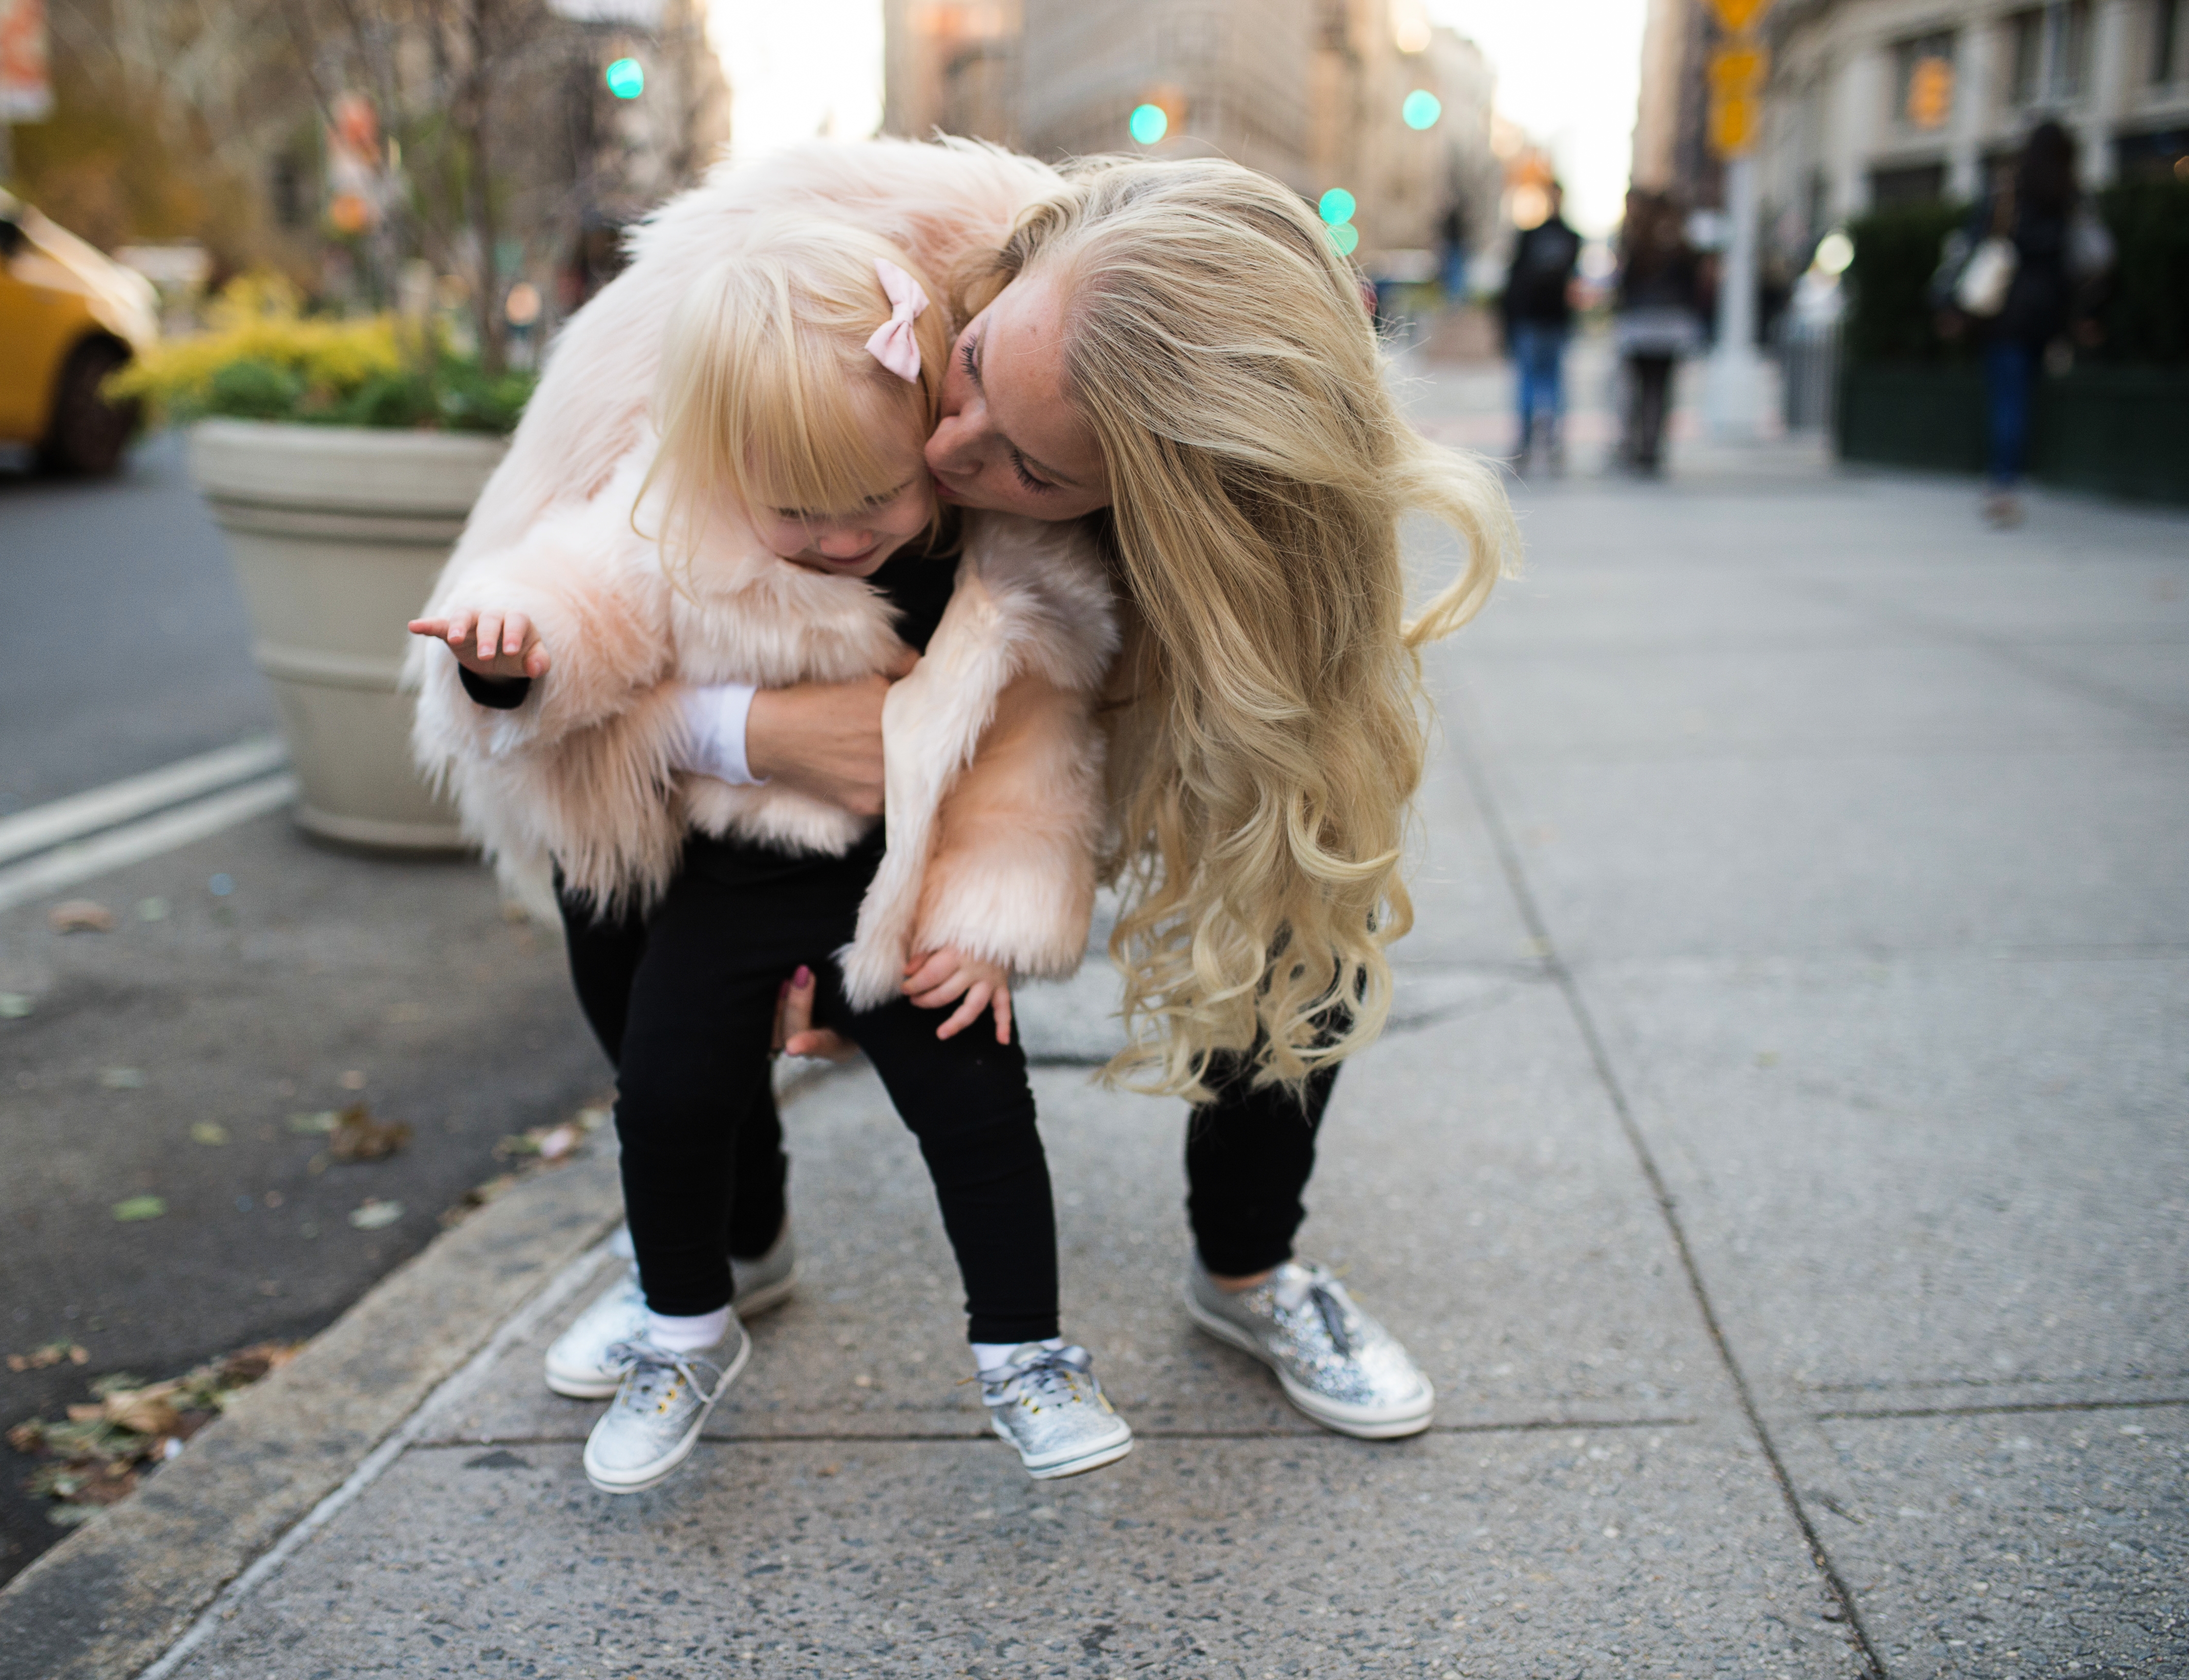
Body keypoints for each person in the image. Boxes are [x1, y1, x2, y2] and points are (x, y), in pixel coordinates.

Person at [421, 139, 1515, 1447]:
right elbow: (566, 661)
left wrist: (981, 899)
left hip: (1068, 661)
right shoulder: (783, 324)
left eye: (1033, 469)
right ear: (1009, 272)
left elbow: (1239, 797)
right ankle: (733, 1237)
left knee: (1299, 879)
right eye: (978, 363)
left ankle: (1250, 1268)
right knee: (618, 896)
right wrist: (747, 733)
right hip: (731, 717)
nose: (947, 443)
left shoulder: (1243, 506)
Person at [410, 217, 1133, 1493]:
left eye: (876, 503)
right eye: (795, 514)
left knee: (978, 1108)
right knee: (672, 1092)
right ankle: (683, 1326)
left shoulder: (1000, 568)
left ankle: (1026, 1348)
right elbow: (583, 601)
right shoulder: (676, 518)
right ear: (723, 469)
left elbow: (1034, 754)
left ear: (930, 437)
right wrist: (508, 647)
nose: (844, 541)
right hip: (731, 879)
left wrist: (992, 916)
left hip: (906, 884)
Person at [1956, 121, 2092, 528]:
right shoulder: (2070, 197)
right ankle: (2011, 477)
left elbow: (1974, 243)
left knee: (2007, 401)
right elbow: (2082, 260)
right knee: (2024, 399)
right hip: (2048, 315)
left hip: (2005, 311)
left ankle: (2004, 483)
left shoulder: (2008, 193)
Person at [1611, 188, 1706, 476]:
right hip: (1671, 325)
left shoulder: (1636, 239)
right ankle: (1652, 448)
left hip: (1640, 324)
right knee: (1660, 389)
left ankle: (1635, 445)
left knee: (1636, 388)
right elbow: (1695, 285)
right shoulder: (1682, 243)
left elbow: (1624, 284)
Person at [1500, 183, 1582, 475]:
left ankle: (1537, 442)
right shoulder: (1566, 238)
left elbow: (1513, 279)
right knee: (1544, 383)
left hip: (1543, 319)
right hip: (1542, 318)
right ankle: (1542, 442)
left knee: (1537, 382)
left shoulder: (1543, 236)